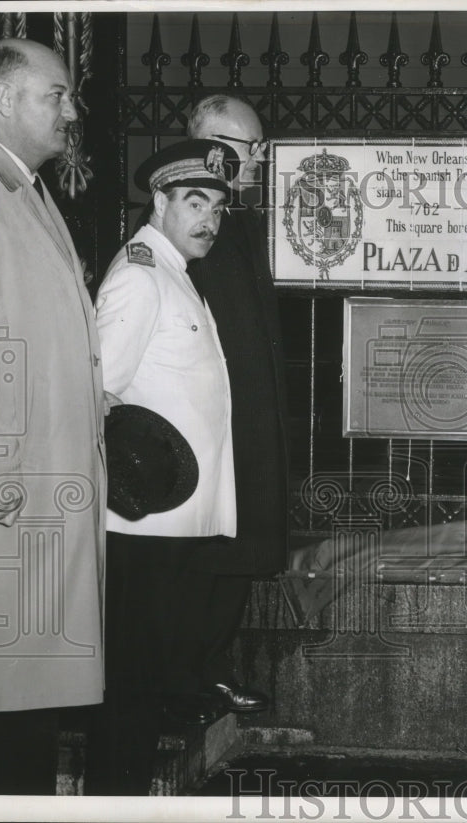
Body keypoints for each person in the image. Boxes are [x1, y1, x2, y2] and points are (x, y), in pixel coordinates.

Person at [0, 38, 106, 794]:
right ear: (7, 99)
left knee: (26, 707)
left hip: (42, 493)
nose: (73, 111)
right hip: (6, 503)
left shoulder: (24, 186)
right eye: (58, 94)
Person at [86, 139, 239, 794]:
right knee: (131, 692)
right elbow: (97, 399)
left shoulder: (174, 273)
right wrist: (127, 494)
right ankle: (110, 802)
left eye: (218, 207)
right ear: (161, 200)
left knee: (145, 691)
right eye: (195, 201)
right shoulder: (140, 276)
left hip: (173, 529)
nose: (209, 218)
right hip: (144, 529)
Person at [185, 94, 289, 713]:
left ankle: (207, 669)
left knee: (236, 560)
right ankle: (187, 679)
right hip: (214, 437)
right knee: (207, 563)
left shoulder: (237, 222)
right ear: (215, 150)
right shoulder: (189, 230)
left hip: (248, 428)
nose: (262, 159)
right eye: (253, 148)